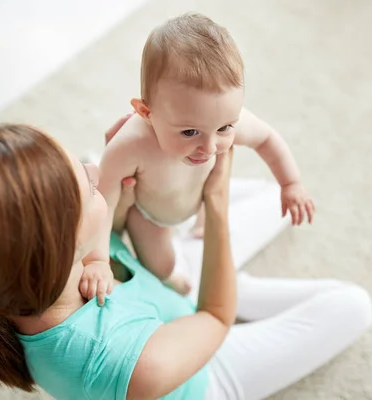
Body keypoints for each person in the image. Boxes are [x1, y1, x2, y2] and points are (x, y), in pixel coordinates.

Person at [0, 114, 372, 400]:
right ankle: (229, 277)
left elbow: (112, 212)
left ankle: (212, 271)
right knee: (352, 305)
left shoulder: (23, 278)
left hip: (160, 287)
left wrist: (132, 172)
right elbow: (215, 315)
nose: (92, 170)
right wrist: (216, 204)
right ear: (60, 245)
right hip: (206, 374)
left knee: (280, 201)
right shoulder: (124, 364)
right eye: (83, 182)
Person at [81, 12, 315, 297]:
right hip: (151, 214)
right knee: (161, 265)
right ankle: (169, 277)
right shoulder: (131, 144)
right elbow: (103, 200)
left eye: (224, 128)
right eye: (190, 132)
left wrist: (290, 183)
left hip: (198, 197)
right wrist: (97, 260)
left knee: (261, 204)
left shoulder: (221, 121)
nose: (210, 147)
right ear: (146, 112)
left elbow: (266, 138)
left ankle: (202, 223)